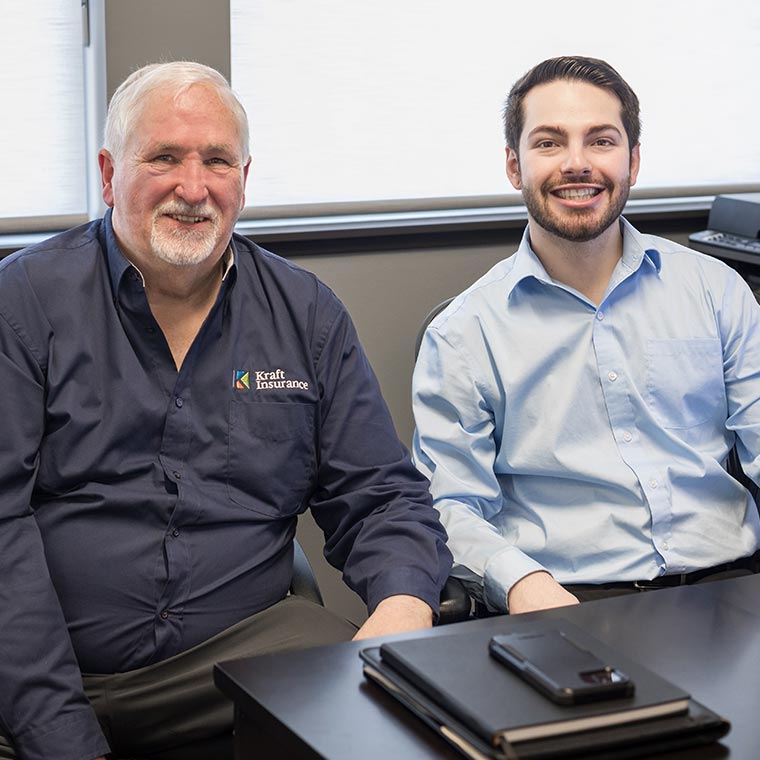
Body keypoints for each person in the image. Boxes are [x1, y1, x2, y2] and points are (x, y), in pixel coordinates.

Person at [0, 61, 452, 760]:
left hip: (244, 654)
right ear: (108, 172)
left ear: (244, 175)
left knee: (416, 729)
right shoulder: (24, 302)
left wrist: (401, 606)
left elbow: (382, 496)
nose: (193, 187)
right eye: (164, 158)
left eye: (217, 161)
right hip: (52, 659)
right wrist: (62, 737)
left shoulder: (306, 315)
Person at [412, 55, 760, 618]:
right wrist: (522, 583)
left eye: (601, 141)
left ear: (634, 160)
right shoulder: (464, 334)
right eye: (549, 143)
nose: (577, 164)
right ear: (513, 165)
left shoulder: (715, 291)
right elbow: (449, 505)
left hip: (733, 592)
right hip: (571, 604)